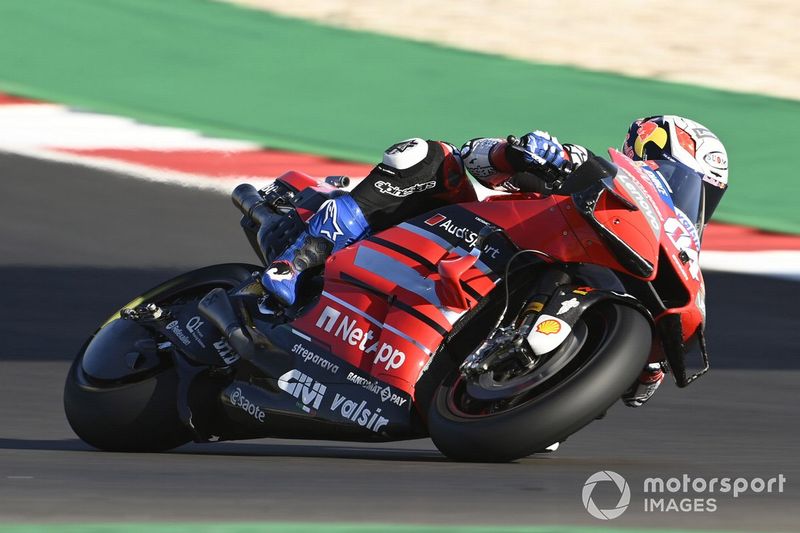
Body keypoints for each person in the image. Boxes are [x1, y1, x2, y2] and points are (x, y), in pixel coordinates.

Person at [260, 115, 729, 408]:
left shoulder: (668, 247)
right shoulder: (594, 173)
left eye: (700, 193)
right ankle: (297, 262)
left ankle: (514, 389)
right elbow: (476, 158)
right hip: (465, 238)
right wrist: (517, 150)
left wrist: (648, 362)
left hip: (497, 310)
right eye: (680, 177)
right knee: (427, 157)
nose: (687, 196)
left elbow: (636, 391)